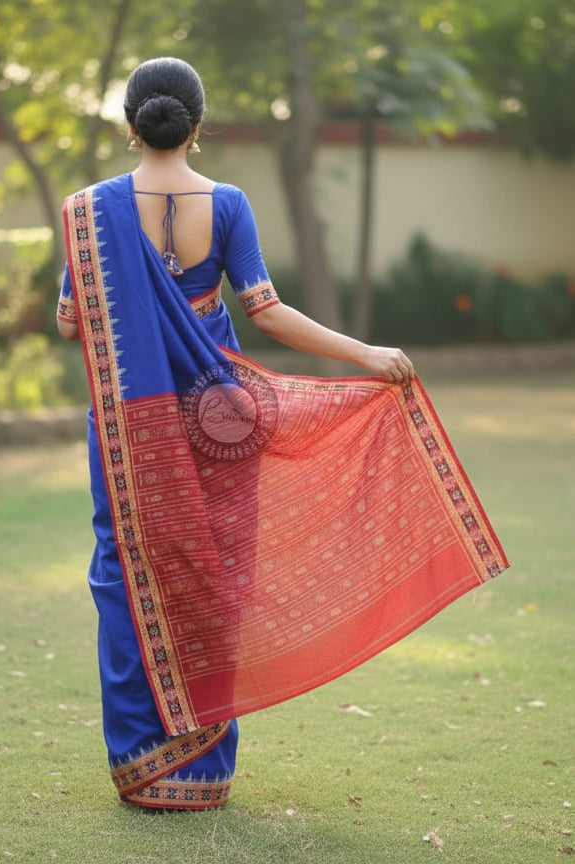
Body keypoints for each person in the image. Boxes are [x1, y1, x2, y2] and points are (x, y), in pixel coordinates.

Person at [57, 57, 508, 811]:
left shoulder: (89, 211)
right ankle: (204, 770)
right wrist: (365, 354)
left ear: (129, 125)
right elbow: (265, 309)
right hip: (219, 419)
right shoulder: (227, 203)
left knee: (124, 567)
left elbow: (73, 320)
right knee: (220, 570)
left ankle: (143, 762)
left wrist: (130, 311)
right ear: (196, 127)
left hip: (133, 425)